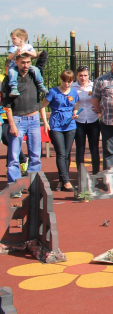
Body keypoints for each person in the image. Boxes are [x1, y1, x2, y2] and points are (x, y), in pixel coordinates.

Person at [2, 52, 43, 194]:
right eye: (22, 62)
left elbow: (44, 56)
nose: (25, 65)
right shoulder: (10, 79)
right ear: (17, 62)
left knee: (35, 155)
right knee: (13, 157)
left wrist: (33, 53)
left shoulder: (34, 74)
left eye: (28, 62)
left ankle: (33, 185)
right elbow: (6, 104)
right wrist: (12, 124)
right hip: (18, 119)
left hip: (34, 119)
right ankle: (15, 187)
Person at [41, 70, 79, 191]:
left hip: (70, 125)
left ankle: (62, 180)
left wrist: (75, 113)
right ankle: (66, 181)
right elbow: (42, 107)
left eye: (70, 81)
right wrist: (46, 123)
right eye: (64, 81)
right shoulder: (53, 92)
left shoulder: (74, 92)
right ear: (60, 79)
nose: (67, 84)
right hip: (56, 125)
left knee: (67, 154)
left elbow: (76, 106)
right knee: (61, 153)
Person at [74, 65, 101, 175]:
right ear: (77, 76)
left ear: (89, 75)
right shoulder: (73, 87)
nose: (83, 78)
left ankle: (95, 173)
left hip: (93, 120)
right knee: (80, 149)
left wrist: (98, 107)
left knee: (94, 148)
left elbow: (101, 98)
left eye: (85, 75)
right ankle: (81, 173)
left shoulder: (93, 86)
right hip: (79, 121)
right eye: (80, 75)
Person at [6, 28, 47, 97]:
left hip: (26, 66)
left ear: (21, 39)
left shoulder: (28, 46)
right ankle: (14, 88)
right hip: (15, 66)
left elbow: (35, 54)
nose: (12, 41)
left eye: (14, 38)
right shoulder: (13, 47)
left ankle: (40, 84)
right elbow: (9, 57)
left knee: (36, 69)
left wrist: (25, 51)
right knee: (12, 72)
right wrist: (16, 52)